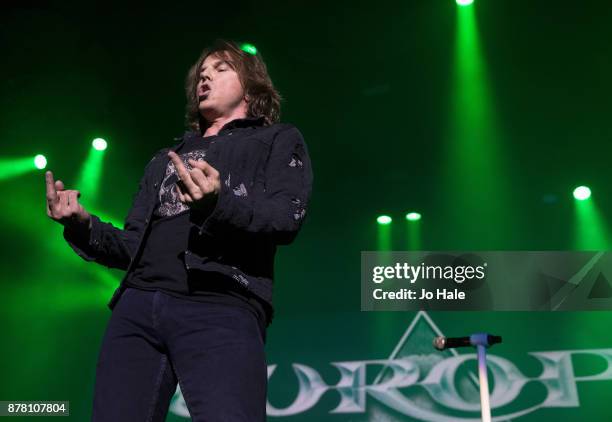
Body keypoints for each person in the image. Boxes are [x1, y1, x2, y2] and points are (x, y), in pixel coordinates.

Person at [44, 39, 313, 422]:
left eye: (221, 69)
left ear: (252, 85)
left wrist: (217, 204)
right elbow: (133, 244)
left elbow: (287, 218)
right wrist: (83, 226)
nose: (205, 77)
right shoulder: (164, 159)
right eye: (202, 73)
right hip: (137, 306)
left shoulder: (276, 139)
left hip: (219, 300)